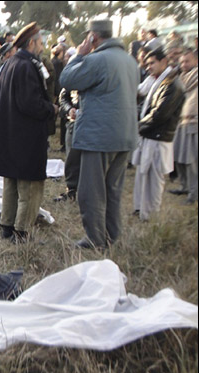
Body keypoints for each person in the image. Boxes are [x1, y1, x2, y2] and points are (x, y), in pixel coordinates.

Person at [60, 19, 140, 248]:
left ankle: (95, 239)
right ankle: (111, 235)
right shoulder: (129, 60)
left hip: (99, 137)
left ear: (93, 36)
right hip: (124, 135)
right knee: (112, 190)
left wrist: (79, 55)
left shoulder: (97, 59)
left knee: (92, 191)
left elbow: (67, 79)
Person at [0, 22, 57, 243]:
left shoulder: (10, 64)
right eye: (40, 43)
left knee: (11, 184)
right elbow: (31, 103)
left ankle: (7, 227)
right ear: (32, 43)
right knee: (29, 188)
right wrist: (51, 109)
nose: (42, 47)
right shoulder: (26, 66)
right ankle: (21, 233)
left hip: (10, 134)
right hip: (26, 136)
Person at [132, 48, 185, 220]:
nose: (148, 67)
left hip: (159, 137)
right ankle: (140, 209)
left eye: (152, 63)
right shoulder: (160, 81)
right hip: (149, 135)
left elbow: (160, 114)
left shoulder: (173, 85)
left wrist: (137, 127)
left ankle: (151, 215)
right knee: (143, 175)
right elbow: (147, 107)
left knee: (154, 179)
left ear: (164, 62)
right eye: (147, 64)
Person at [171, 48, 198, 204]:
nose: (183, 64)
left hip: (194, 122)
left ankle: (193, 194)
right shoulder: (182, 77)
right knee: (179, 157)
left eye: (187, 61)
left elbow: (182, 87)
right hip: (181, 121)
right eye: (181, 62)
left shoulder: (193, 76)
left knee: (191, 160)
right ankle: (184, 186)